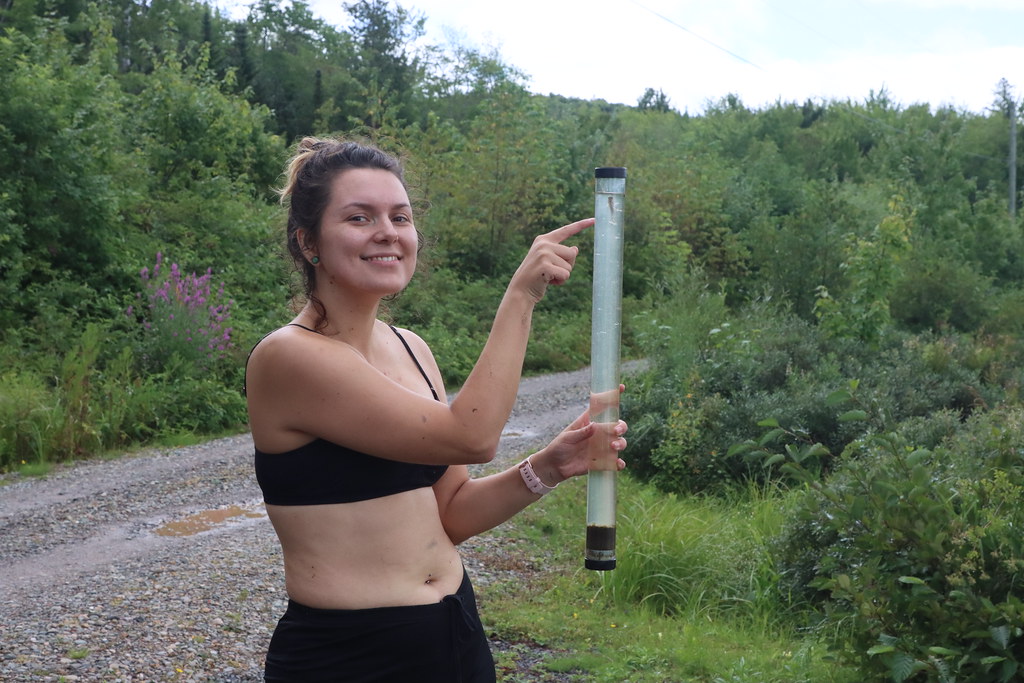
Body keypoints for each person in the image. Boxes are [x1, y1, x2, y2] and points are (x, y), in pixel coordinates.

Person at [244, 137, 628, 683]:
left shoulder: (411, 348)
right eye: (359, 217)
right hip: (351, 656)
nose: (387, 232)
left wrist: (549, 466)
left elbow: (451, 512)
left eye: (400, 216)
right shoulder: (290, 357)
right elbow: (470, 436)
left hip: (454, 635)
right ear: (309, 243)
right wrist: (521, 297)